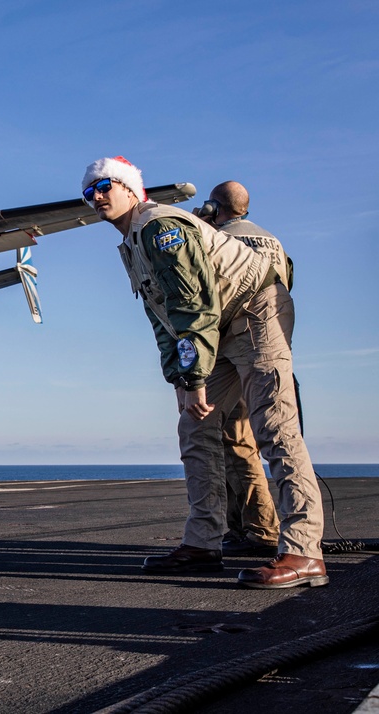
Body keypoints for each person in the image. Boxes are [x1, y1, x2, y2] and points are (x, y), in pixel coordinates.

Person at [81, 156, 327, 589]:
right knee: (196, 428)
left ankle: (304, 552)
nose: (97, 196)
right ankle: (203, 543)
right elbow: (163, 319)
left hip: (255, 311)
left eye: (105, 186)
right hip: (215, 326)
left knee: (274, 427)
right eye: (90, 192)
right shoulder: (132, 243)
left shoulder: (160, 225)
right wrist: (181, 381)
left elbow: (191, 305)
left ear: (132, 189)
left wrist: (193, 378)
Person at [197, 181, 286, 557]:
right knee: (261, 437)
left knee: (237, 441)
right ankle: (247, 526)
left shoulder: (218, 242)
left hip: (230, 351)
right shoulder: (272, 241)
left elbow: (207, 297)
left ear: (214, 208)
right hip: (268, 345)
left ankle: (262, 529)